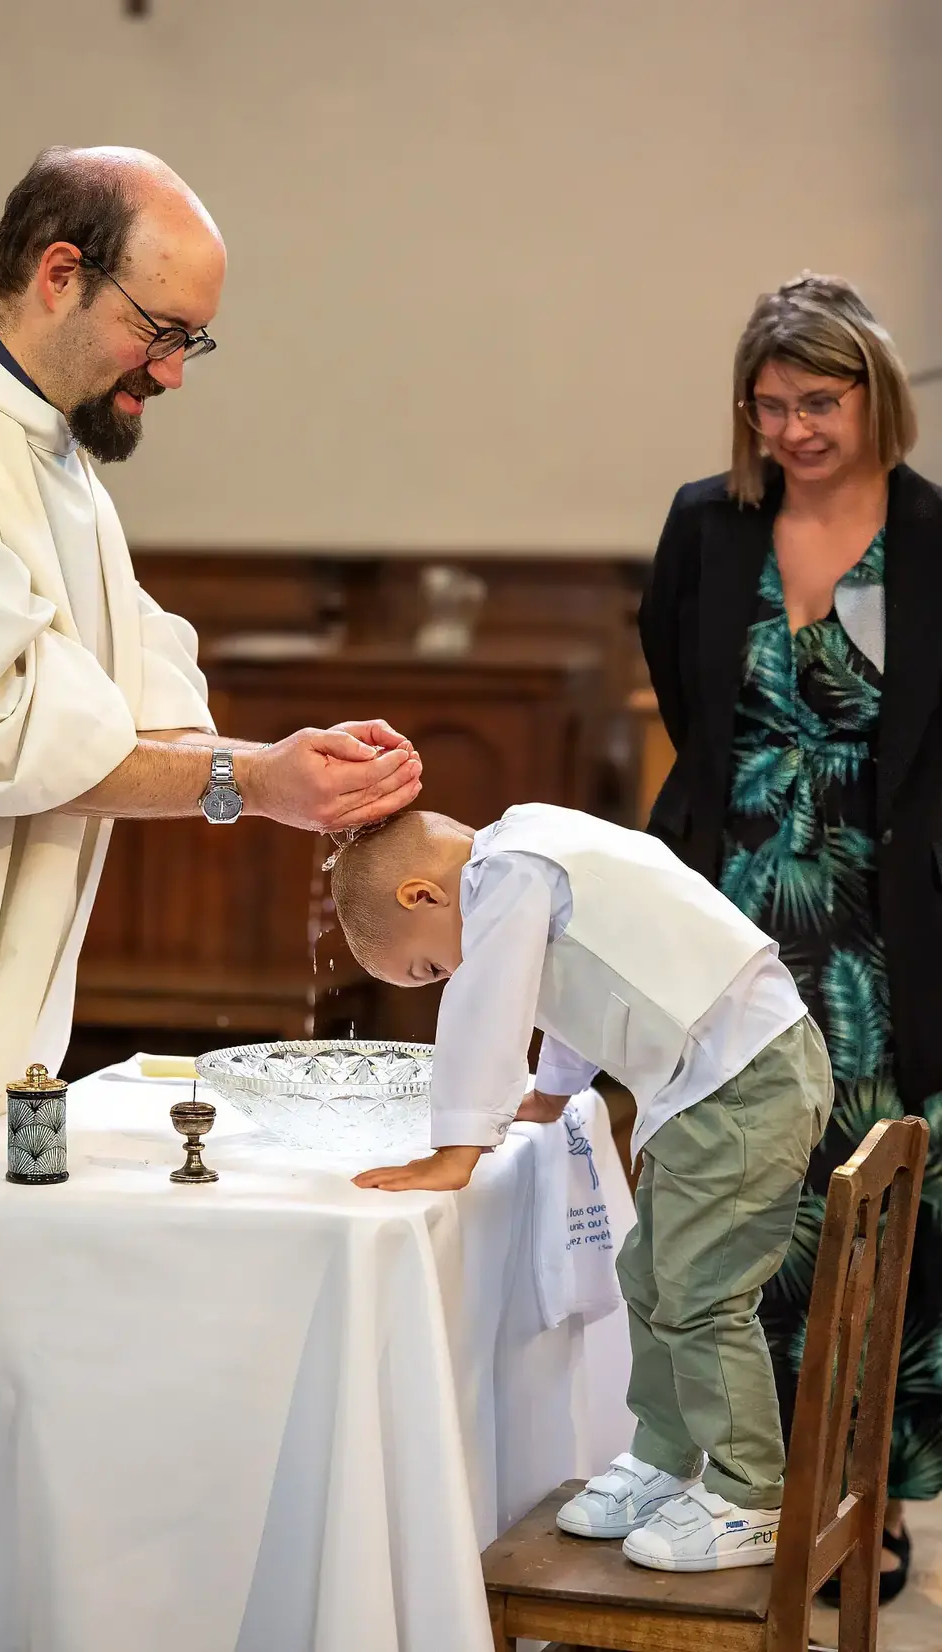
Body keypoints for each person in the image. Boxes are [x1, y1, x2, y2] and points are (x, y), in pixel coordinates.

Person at [0, 146, 421, 1199]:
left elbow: (136, 724)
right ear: (59, 273)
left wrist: (294, 773)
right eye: (159, 332)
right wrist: (252, 781)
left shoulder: (60, 474)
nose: (170, 371)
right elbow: (9, 736)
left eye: (191, 339)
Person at [638, 271, 942, 1600]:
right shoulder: (711, 527)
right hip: (723, 921)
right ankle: (736, 1485)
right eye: (768, 408)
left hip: (879, 936)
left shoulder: (930, 538)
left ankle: (860, 1495)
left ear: (874, 394)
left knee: (861, 1219)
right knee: (723, 1208)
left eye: (817, 402)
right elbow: (681, 685)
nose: (793, 433)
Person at [331, 803, 832, 1572]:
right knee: (650, 1275)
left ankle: (752, 1497)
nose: (447, 978)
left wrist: (457, 1148)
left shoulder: (505, 872)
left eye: (429, 968)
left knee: (703, 1296)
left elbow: (490, 1001)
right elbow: (576, 983)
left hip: (742, 1080)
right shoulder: (529, 847)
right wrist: (556, 1092)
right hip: (716, 1079)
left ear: (421, 896)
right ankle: (668, 1457)